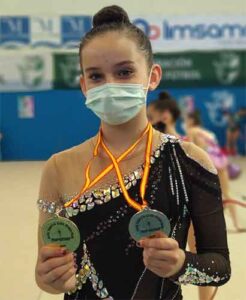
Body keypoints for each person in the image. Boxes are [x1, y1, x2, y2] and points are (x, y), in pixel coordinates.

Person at [35, 6, 231, 300]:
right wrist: (50, 279)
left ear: (152, 76)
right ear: (84, 86)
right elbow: (52, 274)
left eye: (125, 72)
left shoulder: (189, 161)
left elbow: (220, 267)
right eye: (96, 76)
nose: (110, 84)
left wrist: (181, 265)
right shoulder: (58, 167)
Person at [148, 93, 219, 300]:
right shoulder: (151, 147)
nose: (147, 123)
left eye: (150, 118)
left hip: (191, 207)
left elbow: (206, 175)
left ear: (166, 117)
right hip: (165, 210)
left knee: (199, 257)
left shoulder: (186, 146)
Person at [185, 111, 246, 232]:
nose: (185, 122)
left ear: (191, 120)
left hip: (208, 163)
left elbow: (195, 150)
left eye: (186, 120)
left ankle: (207, 224)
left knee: (203, 195)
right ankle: (236, 224)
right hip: (221, 161)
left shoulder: (192, 131)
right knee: (226, 193)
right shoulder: (206, 132)